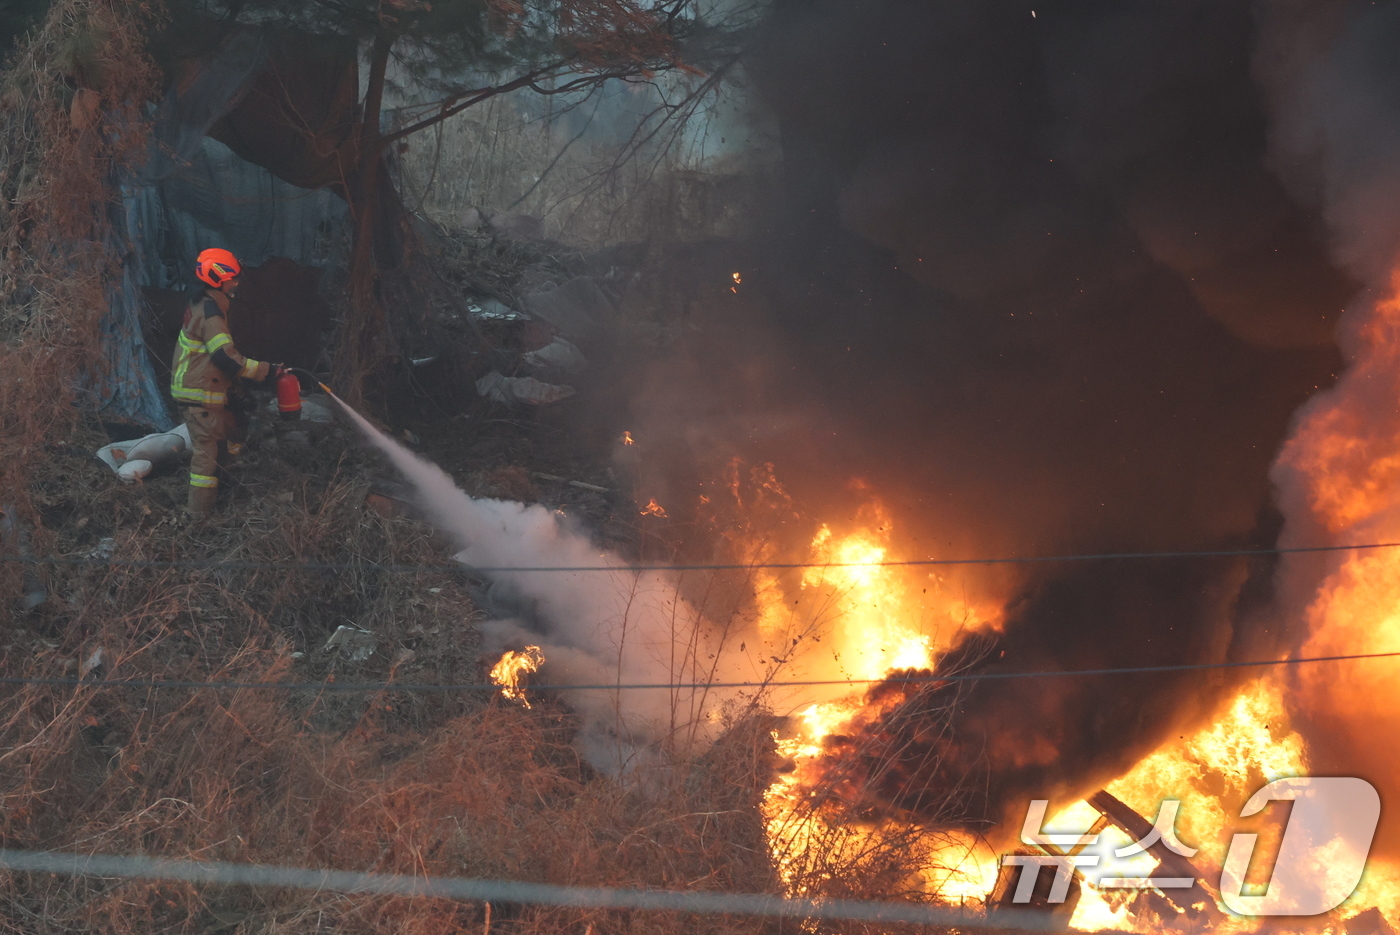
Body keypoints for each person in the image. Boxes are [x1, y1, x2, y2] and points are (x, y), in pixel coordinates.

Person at [170, 248, 282, 517]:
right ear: (218, 278)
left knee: (236, 427)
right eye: (233, 278)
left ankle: (225, 489)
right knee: (206, 461)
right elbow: (225, 358)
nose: (237, 283)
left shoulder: (207, 303)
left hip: (204, 390)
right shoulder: (210, 312)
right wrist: (267, 371)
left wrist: (235, 391)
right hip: (198, 397)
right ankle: (197, 518)